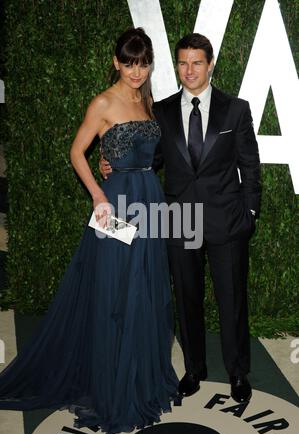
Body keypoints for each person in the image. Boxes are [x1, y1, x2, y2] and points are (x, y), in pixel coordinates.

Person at [0, 27, 179, 434]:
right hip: (115, 205)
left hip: (149, 198)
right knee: (116, 291)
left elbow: (147, 154)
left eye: (144, 63)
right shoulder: (103, 102)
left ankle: (142, 377)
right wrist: (99, 195)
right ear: (116, 62)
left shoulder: (146, 99)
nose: (137, 71)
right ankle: (114, 386)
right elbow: (76, 151)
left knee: (146, 290)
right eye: (129, 62)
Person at [101, 33, 261, 404]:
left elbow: (250, 168)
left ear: (210, 64)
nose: (189, 70)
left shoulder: (235, 109)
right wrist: (112, 162)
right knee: (186, 298)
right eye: (183, 62)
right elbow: (151, 158)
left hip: (226, 220)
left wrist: (249, 214)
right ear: (176, 65)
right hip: (179, 219)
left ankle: (238, 373)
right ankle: (194, 369)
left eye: (197, 62)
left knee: (232, 299)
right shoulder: (163, 110)